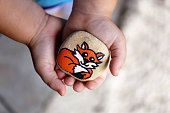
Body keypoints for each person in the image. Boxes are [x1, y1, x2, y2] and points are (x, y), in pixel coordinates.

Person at [0, 0, 126, 96]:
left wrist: (94, 11)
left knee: (67, 8)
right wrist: (37, 27)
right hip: (19, 7)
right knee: (51, 10)